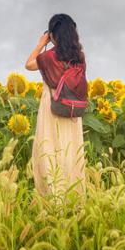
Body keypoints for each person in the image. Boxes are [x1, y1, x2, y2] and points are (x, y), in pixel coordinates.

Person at [24, 13, 87, 201]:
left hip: (53, 108)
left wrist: (41, 43)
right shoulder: (80, 57)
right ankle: (74, 198)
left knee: (50, 150)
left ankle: (54, 199)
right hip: (73, 111)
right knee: (71, 152)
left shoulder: (49, 56)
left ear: (52, 34)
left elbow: (28, 65)